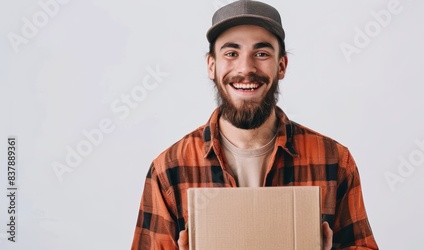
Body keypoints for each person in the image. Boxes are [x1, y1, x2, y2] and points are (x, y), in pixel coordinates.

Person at [131, 0, 378, 249]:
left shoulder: (334, 160)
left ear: (281, 66)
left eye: (261, 54)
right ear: (211, 65)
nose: (246, 68)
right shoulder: (170, 169)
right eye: (231, 53)